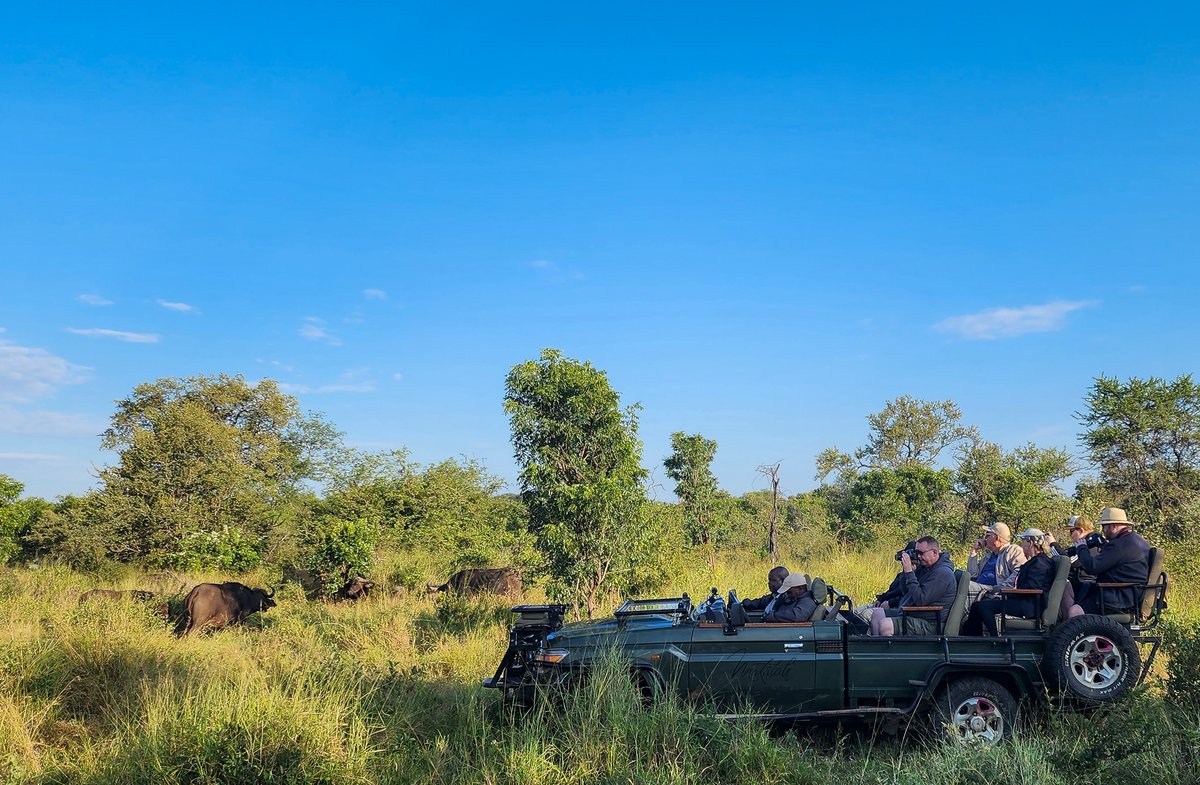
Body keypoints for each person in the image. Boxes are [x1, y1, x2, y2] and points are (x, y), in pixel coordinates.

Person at [962, 528, 1056, 636]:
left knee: (981, 607)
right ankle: (973, 639)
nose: (1021, 544)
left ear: (1030, 543)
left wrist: (1007, 592)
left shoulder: (1040, 562)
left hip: (1027, 606)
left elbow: (1032, 588)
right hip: (1021, 601)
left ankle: (994, 640)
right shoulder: (1035, 561)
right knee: (977, 606)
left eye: (1023, 541)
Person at [1066, 507, 1151, 618]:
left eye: (1104, 526)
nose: (1103, 530)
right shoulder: (1137, 540)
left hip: (1119, 597)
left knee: (1075, 611)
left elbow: (1092, 567)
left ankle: (1071, 629)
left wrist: (1081, 547)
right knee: (1068, 587)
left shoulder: (1119, 545)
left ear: (1113, 526)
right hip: (1128, 592)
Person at [870, 536, 957, 637]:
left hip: (930, 623)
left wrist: (909, 573)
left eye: (921, 553)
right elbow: (905, 591)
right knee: (877, 614)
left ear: (934, 552)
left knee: (885, 625)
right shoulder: (926, 567)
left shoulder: (942, 574)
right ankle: (877, 646)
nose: (918, 556)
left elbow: (921, 600)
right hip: (913, 614)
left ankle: (890, 647)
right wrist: (906, 572)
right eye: (916, 552)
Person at [967, 523, 1026, 601]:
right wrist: (975, 550)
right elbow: (973, 574)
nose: (985, 538)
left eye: (987, 535)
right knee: (960, 584)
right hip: (978, 591)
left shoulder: (1012, 550)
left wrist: (1002, 587)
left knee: (964, 588)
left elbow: (1020, 571)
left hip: (993, 594)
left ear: (997, 537)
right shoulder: (989, 556)